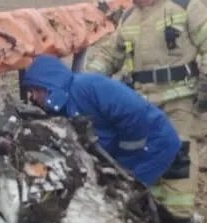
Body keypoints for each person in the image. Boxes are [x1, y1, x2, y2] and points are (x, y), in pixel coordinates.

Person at [84, 0, 207, 223]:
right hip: (142, 101)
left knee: (178, 154)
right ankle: (155, 210)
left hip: (179, 96)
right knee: (148, 151)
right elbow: (109, 56)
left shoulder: (185, 7)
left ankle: (179, 216)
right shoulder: (128, 18)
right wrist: (87, 80)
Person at [22, 55, 181, 191]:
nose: (33, 97)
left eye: (35, 90)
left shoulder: (89, 87)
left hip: (153, 145)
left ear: (49, 86)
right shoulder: (61, 107)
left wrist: (124, 161)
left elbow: (133, 114)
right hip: (130, 150)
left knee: (131, 195)